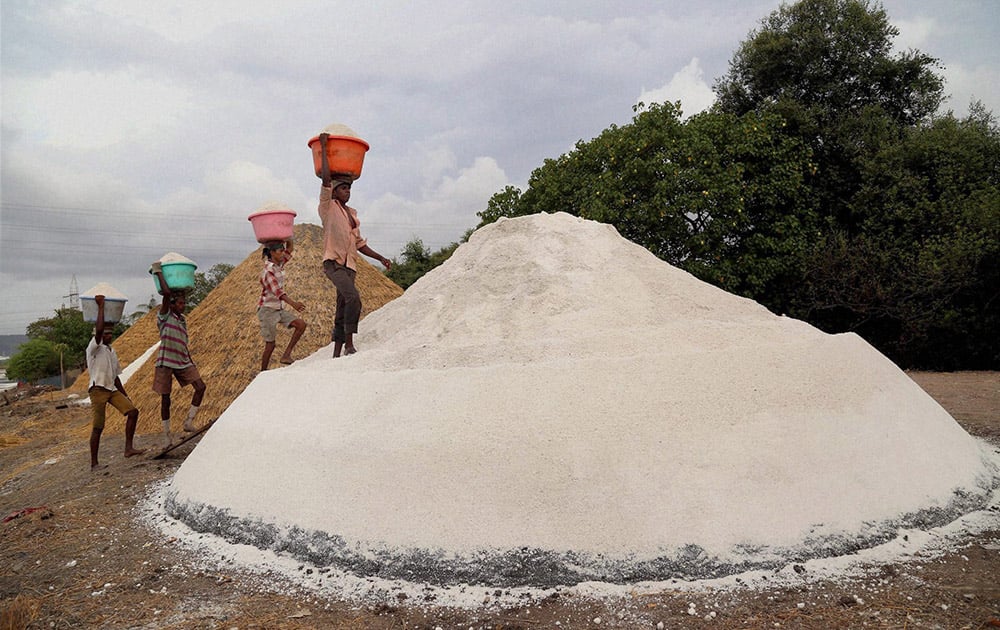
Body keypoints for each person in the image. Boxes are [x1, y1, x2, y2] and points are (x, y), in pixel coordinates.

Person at [317, 132, 392, 357]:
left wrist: (380, 258)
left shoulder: (352, 215)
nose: (347, 192)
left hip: (350, 267)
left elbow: (359, 244)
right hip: (334, 264)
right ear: (335, 191)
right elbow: (326, 180)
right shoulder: (328, 208)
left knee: (342, 307)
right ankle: (349, 344)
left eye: (349, 189)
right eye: (343, 188)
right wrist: (323, 147)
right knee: (353, 298)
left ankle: (336, 352)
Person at [150, 261, 207, 445]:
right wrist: (159, 272)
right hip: (166, 361)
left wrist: (190, 360)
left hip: (182, 360)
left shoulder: (182, 321)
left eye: (184, 303)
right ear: (172, 304)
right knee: (166, 399)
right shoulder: (164, 315)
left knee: (200, 387)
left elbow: (183, 343)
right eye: (180, 303)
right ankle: (167, 436)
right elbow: (166, 293)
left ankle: (189, 421)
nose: (183, 306)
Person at [86, 295, 145, 469]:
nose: (109, 335)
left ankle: (128, 448)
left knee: (133, 412)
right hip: (97, 389)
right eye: (106, 333)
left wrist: (126, 395)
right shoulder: (94, 348)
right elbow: (98, 331)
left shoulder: (111, 351)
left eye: (111, 333)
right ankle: (94, 463)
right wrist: (101, 307)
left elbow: (116, 376)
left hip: (111, 389)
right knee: (98, 426)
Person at [257, 240, 307, 370]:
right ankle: (263, 372)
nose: (283, 253)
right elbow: (278, 292)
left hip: (278, 309)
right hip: (267, 310)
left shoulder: (279, 264)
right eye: (280, 251)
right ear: (272, 253)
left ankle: (286, 355)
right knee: (270, 345)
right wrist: (294, 304)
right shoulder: (268, 272)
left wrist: (286, 237)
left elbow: (290, 248)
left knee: (300, 324)